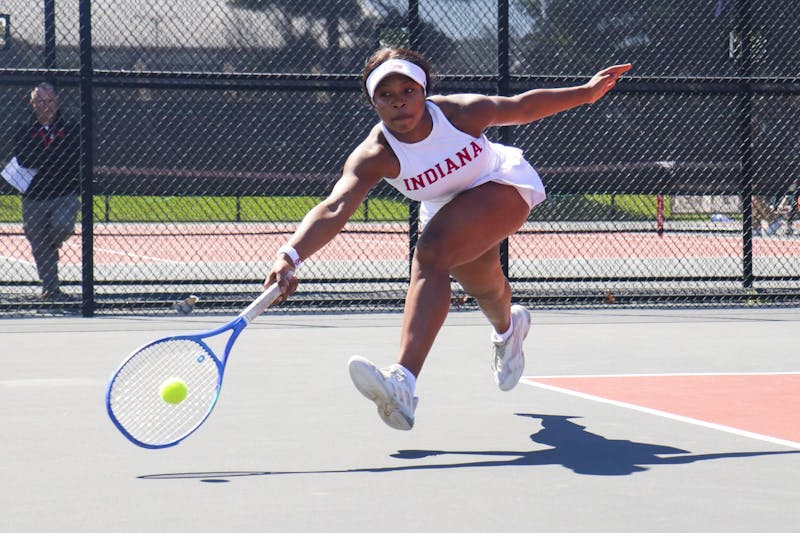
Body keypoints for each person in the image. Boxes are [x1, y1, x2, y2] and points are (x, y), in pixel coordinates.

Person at [265, 48, 631, 430]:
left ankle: (402, 381)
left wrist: (586, 93)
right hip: (446, 209)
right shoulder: (375, 155)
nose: (399, 101)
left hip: (501, 185)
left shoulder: (459, 113)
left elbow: (522, 107)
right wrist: (289, 255)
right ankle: (510, 328)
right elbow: (336, 207)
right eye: (386, 95)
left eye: (408, 90)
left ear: (424, 92)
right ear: (374, 103)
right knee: (485, 287)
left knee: (431, 253)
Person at [10, 83, 81, 300]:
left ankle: (54, 245)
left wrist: (43, 156)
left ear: (57, 102)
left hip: (64, 192)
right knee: (39, 244)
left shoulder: (71, 128)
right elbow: (25, 158)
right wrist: (54, 156)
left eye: (50, 101)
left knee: (62, 226)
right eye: (40, 101)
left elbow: (71, 157)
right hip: (34, 196)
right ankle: (51, 290)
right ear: (32, 103)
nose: (46, 106)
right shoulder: (23, 129)